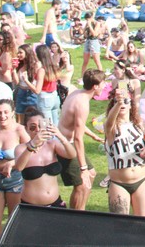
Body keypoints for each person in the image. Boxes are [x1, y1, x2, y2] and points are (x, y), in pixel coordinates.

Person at [0, 99, 29, 244]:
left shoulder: (19, 130)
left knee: (13, 220)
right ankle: (0, 244)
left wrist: (13, 163)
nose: (2, 116)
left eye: (6, 112)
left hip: (15, 180)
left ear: (13, 112)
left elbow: (30, 150)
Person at [104, 86, 145, 216]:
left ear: (131, 105)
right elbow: (110, 121)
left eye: (126, 102)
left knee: (144, 223)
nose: (123, 104)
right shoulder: (111, 127)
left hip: (142, 180)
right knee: (121, 225)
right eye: (117, 103)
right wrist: (119, 102)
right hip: (119, 183)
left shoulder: (140, 124)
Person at [57, 69, 104, 210]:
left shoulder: (77, 93)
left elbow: (77, 124)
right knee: (82, 182)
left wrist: (93, 135)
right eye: (103, 83)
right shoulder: (82, 103)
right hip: (66, 145)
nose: (105, 86)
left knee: (92, 174)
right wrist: (83, 168)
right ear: (95, 86)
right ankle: (75, 216)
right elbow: (77, 138)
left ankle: (81, 211)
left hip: (67, 141)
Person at [14, 107, 76, 207]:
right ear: (26, 129)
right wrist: (32, 146)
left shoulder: (52, 145)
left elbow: (72, 154)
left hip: (55, 203)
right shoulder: (21, 149)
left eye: (40, 126)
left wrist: (60, 136)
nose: (37, 130)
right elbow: (19, 167)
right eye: (33, 127)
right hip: (31, 206)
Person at [13, 44, 43, 123]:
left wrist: (26, 81)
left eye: (20, 52)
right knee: (20, 120)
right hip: (21, 93)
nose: (18, 55)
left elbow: (37, 89)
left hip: (32, 94)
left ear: (27, 52)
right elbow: (17, 83)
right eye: (17, 53)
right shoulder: (20, 64)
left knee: (35, 120)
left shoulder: (36, 65)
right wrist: (13, 70)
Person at [35, 44, 61, 126]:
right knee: (55, 124)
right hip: (55, 97)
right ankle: (57, 138)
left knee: (45, 126)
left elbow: (37, 90)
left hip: (45, 99)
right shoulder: (54, 66)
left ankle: (49, 139)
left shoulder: (42, 70)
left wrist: (26, 81)